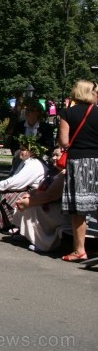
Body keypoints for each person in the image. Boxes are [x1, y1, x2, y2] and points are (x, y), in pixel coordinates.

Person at [58, 79, 98, 262]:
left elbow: (64, 142)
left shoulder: (68, 113)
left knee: (79, 210)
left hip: (79, 163)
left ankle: (80, 250)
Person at [12, 147, 71, 252]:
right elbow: (41, 189)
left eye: (57, 155)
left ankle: (43, 243)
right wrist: (29, 196)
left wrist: (29, 202)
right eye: (53, 155)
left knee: (31, 207)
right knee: (24, 199)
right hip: (51, 205)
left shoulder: (64, 174)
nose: (53, 158)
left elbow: (50, 196)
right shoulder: (53, 171)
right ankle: (27, 234)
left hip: (63, 212)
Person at [0, 135, 48, 231]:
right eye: (20, 149)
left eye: (24, 150)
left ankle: (15, 224)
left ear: (32, 152)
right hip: (30, 190)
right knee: (3, 193)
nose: (20, 152)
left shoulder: (34, 163)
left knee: (5, 197)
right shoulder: (27, 162)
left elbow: (17, 182)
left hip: (36, 193)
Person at [7, 101, 54, 175]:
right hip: (22, 154)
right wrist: (21, 149)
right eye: (27, 110)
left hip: (40, 155)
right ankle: (14, 177)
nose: (27, 112)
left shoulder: (46, 127)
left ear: (38, 113)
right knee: (19, 156)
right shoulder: (20, 126)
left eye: (31, 110)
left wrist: (36, 152)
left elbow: (49, 145)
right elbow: (13, 142)